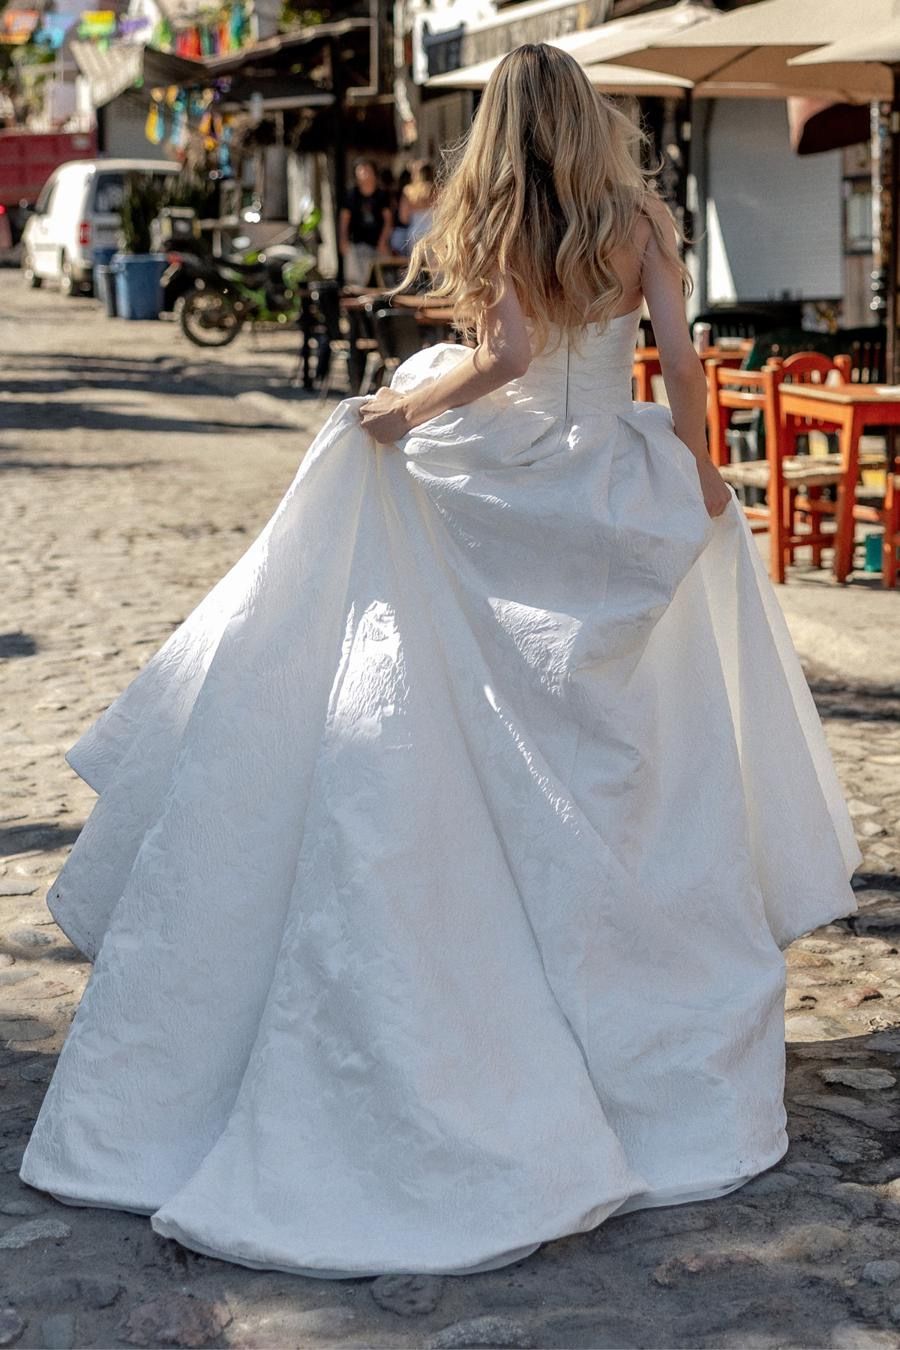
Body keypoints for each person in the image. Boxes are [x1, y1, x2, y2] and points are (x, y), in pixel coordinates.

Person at [19, 44, 860, 1279]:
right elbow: (682, 364)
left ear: (498, 129)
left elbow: (510, 360)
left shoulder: (499, 221)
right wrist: (694, 477)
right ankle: (645, 1051)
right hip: (614, 490)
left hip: (512, 487)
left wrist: (405, 414)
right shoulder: (638, 223)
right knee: (646, 764)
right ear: (591, 122)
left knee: (455, 702)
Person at [338, 156, 392, 285]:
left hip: (378, 243)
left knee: (386, 277)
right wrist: (343, 240)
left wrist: (383, 241)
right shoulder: (352, 195)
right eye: (360, 170)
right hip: (357, 242)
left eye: (367, 170)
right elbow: (344, 219)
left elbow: (388, 220)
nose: (364, 174)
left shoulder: (382, 195)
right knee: (355, 279)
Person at [390, 158, 436, 256]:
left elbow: (404, 218)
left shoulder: (409, 192)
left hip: (416, 234)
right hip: (435, 233)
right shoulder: (439, 190)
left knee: (417, 266)